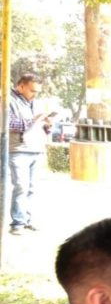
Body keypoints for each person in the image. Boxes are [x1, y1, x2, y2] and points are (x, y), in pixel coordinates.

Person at [8, 73, 52, 235]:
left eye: (37, 92)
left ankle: (27, 219)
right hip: (18, 149)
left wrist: (47, 125)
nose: (35, 94)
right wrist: (34, 119)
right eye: (32, 91)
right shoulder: (7, 101)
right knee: (21, 186)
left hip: (36, 148)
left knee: (32, 188)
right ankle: (17, 223)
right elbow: (10, 124)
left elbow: (42, 128)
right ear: (21, 86)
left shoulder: (36, 103)